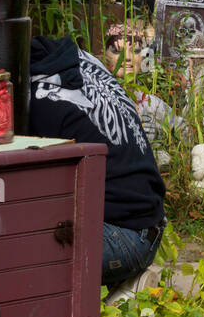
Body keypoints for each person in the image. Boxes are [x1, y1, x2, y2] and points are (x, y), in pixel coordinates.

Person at [29, 37, 167, 288]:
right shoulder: (81, 58)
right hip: (150, 220)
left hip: (123, 236)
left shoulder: (42, 103)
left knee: (17, 257)